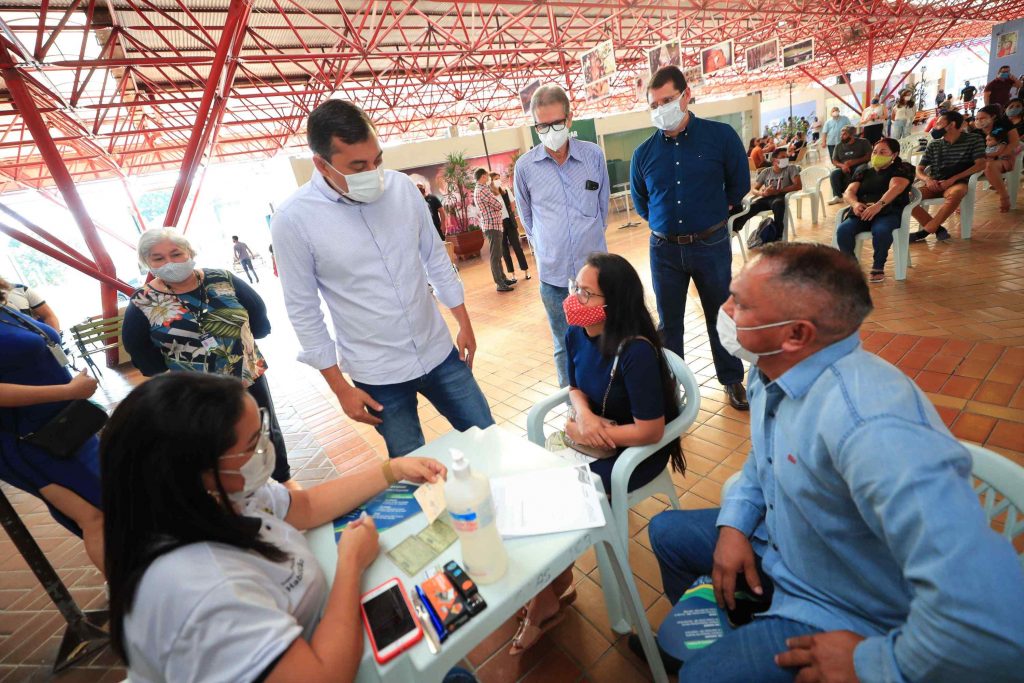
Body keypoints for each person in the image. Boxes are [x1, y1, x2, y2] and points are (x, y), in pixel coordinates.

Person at [643, 242, 1024, 682]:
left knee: (704, 678)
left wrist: (877, 663)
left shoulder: (871, 428)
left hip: (844, 607)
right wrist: (733, 525)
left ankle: (723, 652)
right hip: (786, 545)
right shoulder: (772, 372)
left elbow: (996, 624)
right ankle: (717, 634)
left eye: (740, 304)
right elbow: (760, 462)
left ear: (796, 334)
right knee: (666, 532)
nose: (724, 309)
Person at [100, 373, 477, 683]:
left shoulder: (223, 492)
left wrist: (390, 471)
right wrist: (350, 564)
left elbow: (306, 506)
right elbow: (323, 677)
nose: (268, 447)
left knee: (447, 662)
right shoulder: (202, 590)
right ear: (196, 471)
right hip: (329, 659)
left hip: (325, 636)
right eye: (251, 444)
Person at [271, 100, 493, 457]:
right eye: (357, 166)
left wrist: (463, 322)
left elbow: (435, 258)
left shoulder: (402, 190)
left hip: (438, 351)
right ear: (321, 164)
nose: (372, 173)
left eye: (376, 161)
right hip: (377, 373)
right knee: (411, 465)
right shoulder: (294, 220)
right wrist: (340, 388)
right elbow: (303, 309)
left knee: (487, 437)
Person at [510, 253, 685, 656]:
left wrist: (600, 433)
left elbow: (651, 429)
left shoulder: (636, 351)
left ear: (614, 302)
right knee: (533, 485)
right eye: (577, 289)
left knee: (560, 500)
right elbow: (574, 387)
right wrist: (586, 418)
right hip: (594, 438)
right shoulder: (578, 331)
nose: (574, 299)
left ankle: (545, 599)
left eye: (586, 294)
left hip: (635, 454)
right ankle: (552, 589)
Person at [122, 228, 296, 488]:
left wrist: (252, 338)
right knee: (216, 441)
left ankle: (282, 479)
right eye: (158, 258)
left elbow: (257, 310)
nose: (169, 262)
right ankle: (236, 490)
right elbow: (137, 347)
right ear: (147, 263)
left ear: (190, 253)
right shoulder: (143, 302)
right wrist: (161, 369)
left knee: (265, 429)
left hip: (246, 373)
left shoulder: (222, 278)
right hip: (196, 391)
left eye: (176, 253)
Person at [630, 66, 750, 410]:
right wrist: (666, 226)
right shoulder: (644, 154)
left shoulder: (721, 136)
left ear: (686, 95)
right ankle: (674, 388)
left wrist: (710, 215)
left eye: (666, 100)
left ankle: (731, 379)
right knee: (669, 325)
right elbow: (642, 203)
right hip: (664, 250)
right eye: (654, 104)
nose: (660, 109)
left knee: (720, 315)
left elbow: (738, 184)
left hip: (710, 244)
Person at [514, 84, 610, 387]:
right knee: (563, 343)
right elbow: (527, 218)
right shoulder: (525, 167)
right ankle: (572, 405)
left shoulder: (593, 156)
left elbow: (602, 208)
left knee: (605, 337)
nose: (550, 130)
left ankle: (608, 399)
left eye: (556, 123)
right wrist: (547, 245)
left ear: (569, 119)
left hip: (595, 275)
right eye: (542, 125)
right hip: (553, 276)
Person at [1, 295, 103, 572]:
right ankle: (135, 595)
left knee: (111, 502)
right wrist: (67, 391)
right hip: (30, 439)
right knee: (95, 515)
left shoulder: (6, 307)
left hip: (67, 423)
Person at [835, 138, 916, 282]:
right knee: (843, 230)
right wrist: (855, 204)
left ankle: (878, 266)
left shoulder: (903, 168)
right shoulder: (863, 171)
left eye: (883, 152)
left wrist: (878, 205)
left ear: (894, 154)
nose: (877, 155)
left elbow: (896, 187)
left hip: (888, 211)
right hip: (862, 212)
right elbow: (849, 191)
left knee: (881, 230)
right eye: (875, 152)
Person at [910, 110, 986, 243]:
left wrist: (954, 178)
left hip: (957, 183)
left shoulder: (973, 139)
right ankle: (937, 229)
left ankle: (925, 231)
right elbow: (919, 169)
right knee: (906, 197)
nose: (935, 126)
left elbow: (980, 165)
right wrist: (927, 179)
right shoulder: (934, 144)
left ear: (952, 125)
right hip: (934, 183)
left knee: (957, 192)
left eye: (939, 123)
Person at [731, 148, 802, 237]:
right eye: (783, 157)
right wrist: (762, 194)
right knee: (750, 208)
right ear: (774, 160)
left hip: (779, 197)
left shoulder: (791, 168)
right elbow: (754, 189)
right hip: (766, 198)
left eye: (786, 157)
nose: (786, 159)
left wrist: (778, 191)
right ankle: (734, 230)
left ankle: (778, 236)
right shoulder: (766, 171)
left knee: (778, 204)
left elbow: (798, 185)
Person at [973, 104, 1021, 212]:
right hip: (982, 160)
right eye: (977, 118)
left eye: (982, 118)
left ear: (993, 117)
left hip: (1003, 157)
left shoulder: (1003, 126)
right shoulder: (976, 132)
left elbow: (1015, 142)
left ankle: (1004, 197)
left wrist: (999, 155)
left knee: (989, 166)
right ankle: (960, 202)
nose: (978, 121)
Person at [473, 167, 514, 292]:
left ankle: (503, 278)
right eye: (487, 176)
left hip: (494, 225)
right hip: (492, 226)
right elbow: (498, 204)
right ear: (483, 177)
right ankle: (499, 283)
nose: (489, 179)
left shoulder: (482, 189)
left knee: (498, 254)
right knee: (495, 256)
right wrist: (498, 203)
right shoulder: (482, 190)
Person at [490, 171, 530, 282]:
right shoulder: (490, 195)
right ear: (491, 181)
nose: (498, 180)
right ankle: (512, 274)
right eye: (495, 179)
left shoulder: (506, 190)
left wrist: (509, 214)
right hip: (499, 225)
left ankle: (526, 270)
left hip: (510, 222)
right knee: (504, 250)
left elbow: (512, 205)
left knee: (517, 247)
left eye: (498, 178)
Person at [827, 126, 872, 205]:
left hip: (859, 166)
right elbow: (834, 161)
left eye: (844, 134)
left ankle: (854, 194)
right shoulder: (838, 146)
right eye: (841, 134)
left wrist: (854, 162)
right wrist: (842, 166)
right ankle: (838, 196)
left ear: (852, 135)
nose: (841, 136)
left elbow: (869, 156)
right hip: (844, 167)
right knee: (834, 173)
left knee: (861, 169)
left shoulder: (863, 142)